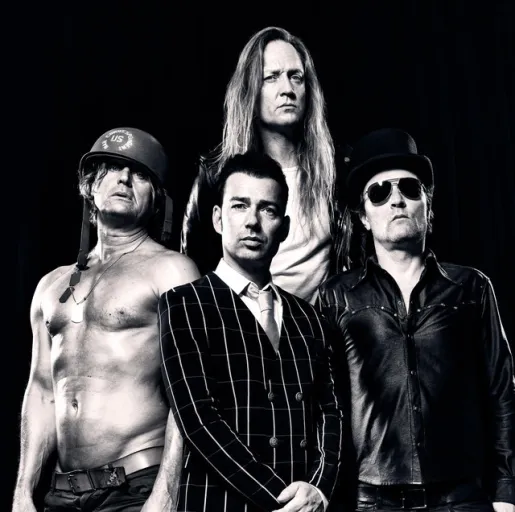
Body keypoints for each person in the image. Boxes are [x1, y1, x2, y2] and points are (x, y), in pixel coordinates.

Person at [317, 128, 515, 512]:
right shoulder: (336, 296)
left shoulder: (471, 288)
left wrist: (507, 493)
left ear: (427, 204)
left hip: (463, 497)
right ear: (363, 216)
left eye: (409, 188)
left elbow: (502, 392)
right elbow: (328, 404)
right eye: (379, 192)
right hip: (372, 501)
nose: (397, 200)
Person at [12, 127, 200, 511]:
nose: (125, 178)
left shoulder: (173, 271)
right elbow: (42, 391)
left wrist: (166, 493)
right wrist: (22, 491)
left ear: (157, 199)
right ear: (90, 187)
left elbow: (190, 392)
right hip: (61, 493)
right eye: (113, 168)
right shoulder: (50, 285)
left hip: (135, 488)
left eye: (140, 173)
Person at [159, 150, 343, 511]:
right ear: (218, 218)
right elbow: (199, 419)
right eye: (240, 206)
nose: (253, 222)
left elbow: (330, 413)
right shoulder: (183, 304)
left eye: (267, 210)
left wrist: (319, 490)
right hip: (218, 504)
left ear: (284, 228)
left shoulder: (311, 318)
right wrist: (285, 502)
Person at [181, 26, 351, 304]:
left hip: (316, 325)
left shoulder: (337, 170)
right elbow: (192, 262)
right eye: (271, 77)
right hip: (234, 321)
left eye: (296, 77)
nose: (288, 90)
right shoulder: (215, 173)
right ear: (250, 90)